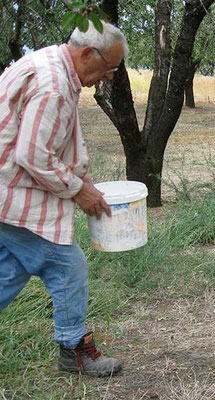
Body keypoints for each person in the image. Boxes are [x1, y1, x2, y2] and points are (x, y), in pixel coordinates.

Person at [0, 21, 128, 377]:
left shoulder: (49, 65)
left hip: (7, 194)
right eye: (110, 68)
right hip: (13, 196)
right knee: (67, 266)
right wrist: (78, 189)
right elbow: (33, 156)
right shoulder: (55, 86)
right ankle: (73, 351)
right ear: (88, 53)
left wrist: (79, 172)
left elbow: (46, 140)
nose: (110, 77)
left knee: (11, 270)